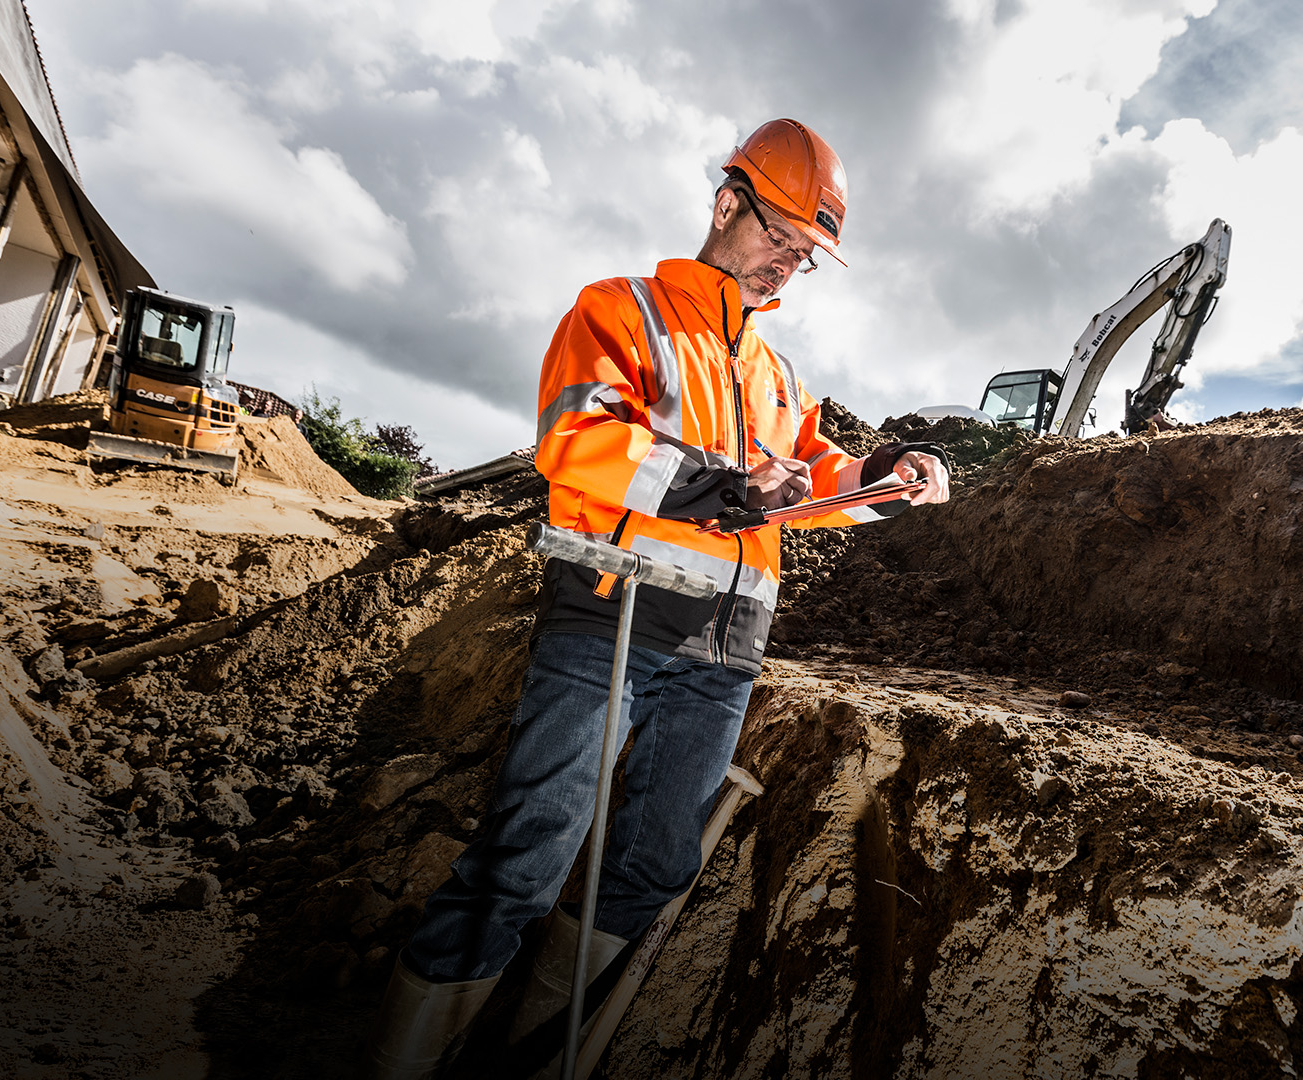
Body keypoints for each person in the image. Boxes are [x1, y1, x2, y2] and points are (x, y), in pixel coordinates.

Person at [363, 118, 949, 1078]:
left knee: (655, 865)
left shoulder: (774, 372)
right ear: (727, 204)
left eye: (804, 259)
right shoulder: (619, 309)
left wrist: (890, 477)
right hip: (612, 617)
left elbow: (813, 480)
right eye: (779, 240)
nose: (785, 270)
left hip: (723, 651)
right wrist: (724, 486)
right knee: (530, 855)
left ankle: (523, 1053)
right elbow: (578, 438)